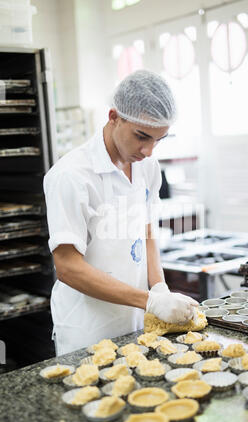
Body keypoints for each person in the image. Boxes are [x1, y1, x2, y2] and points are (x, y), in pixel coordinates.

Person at [44, 70, 199, 356]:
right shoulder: (71, 176)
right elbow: (67, 267)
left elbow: (147, 230)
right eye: (142, 136)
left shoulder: (147, 168)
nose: (149, 150)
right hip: (87, 330)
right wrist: (150, 301)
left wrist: (160, 287)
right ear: (114, 117)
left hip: (136, 322)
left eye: (158, 140)